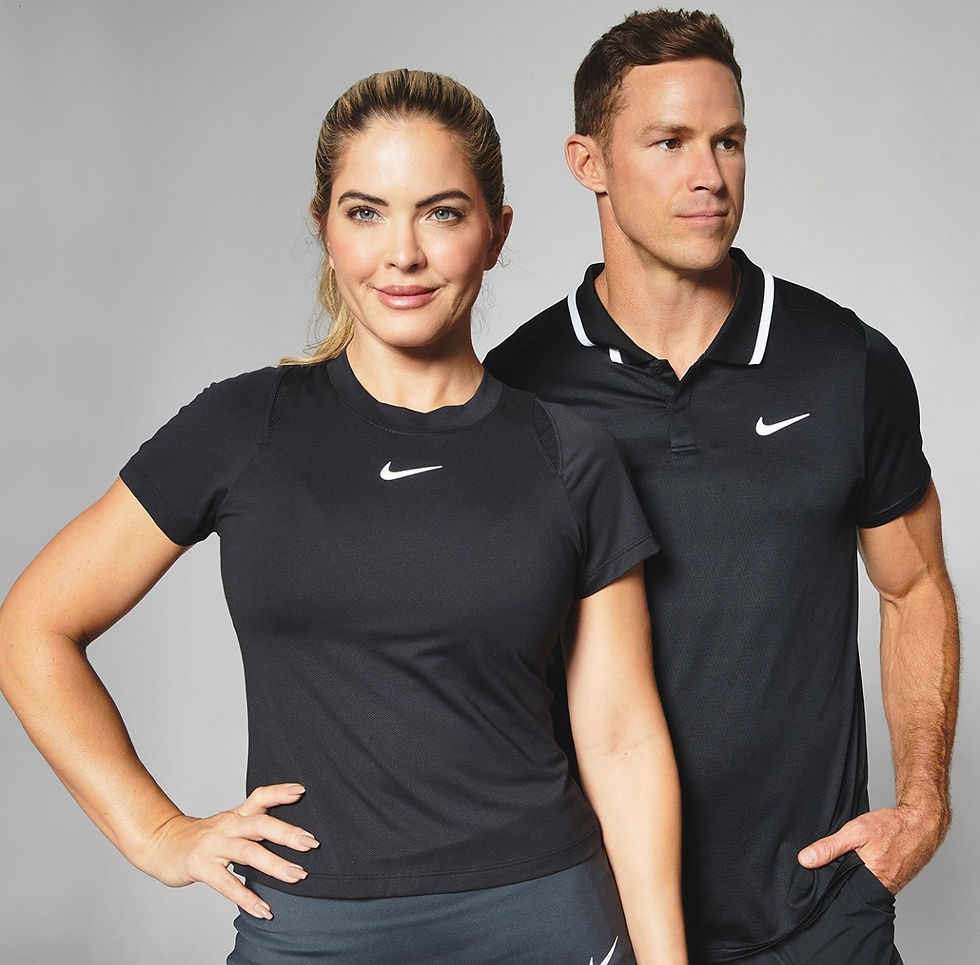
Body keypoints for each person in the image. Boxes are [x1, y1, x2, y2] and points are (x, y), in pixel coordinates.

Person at [0, 69, 687, 964]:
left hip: (544, 918)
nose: (402, 253)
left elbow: (623, 738)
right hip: (313, 929)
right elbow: (32, 627)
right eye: (366, 212)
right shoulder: (245, 426)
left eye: (441, 213)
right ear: (325, 227)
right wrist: (158, 831)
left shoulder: (570, 453)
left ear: (496, 232)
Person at [484, 10, 959, 965]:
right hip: (596, 916)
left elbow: (914, 587)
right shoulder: (516, 389)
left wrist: (921, 805)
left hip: (819, 913)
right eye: (669, 142)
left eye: (728, 141)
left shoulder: (845, 361)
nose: (710, 174)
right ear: (589, 162)